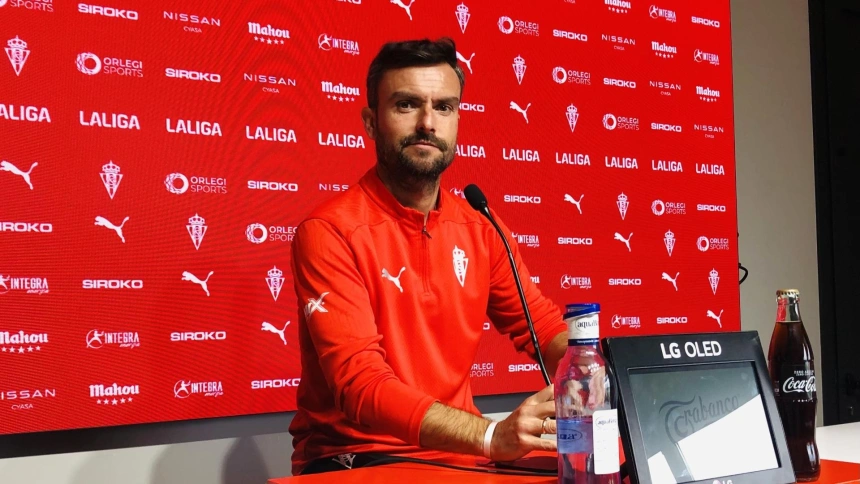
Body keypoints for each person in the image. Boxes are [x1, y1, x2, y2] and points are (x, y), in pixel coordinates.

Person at [289, 37, 569, 475]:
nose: (427, 123)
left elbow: (544, 329)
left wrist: (593, 371)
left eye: (444, 107)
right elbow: (360, 386)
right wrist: (490, 435)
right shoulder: (330, 231)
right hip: (359, 458)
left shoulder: (480, 224)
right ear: (370, 121)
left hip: (463, 459)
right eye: (406, 105)